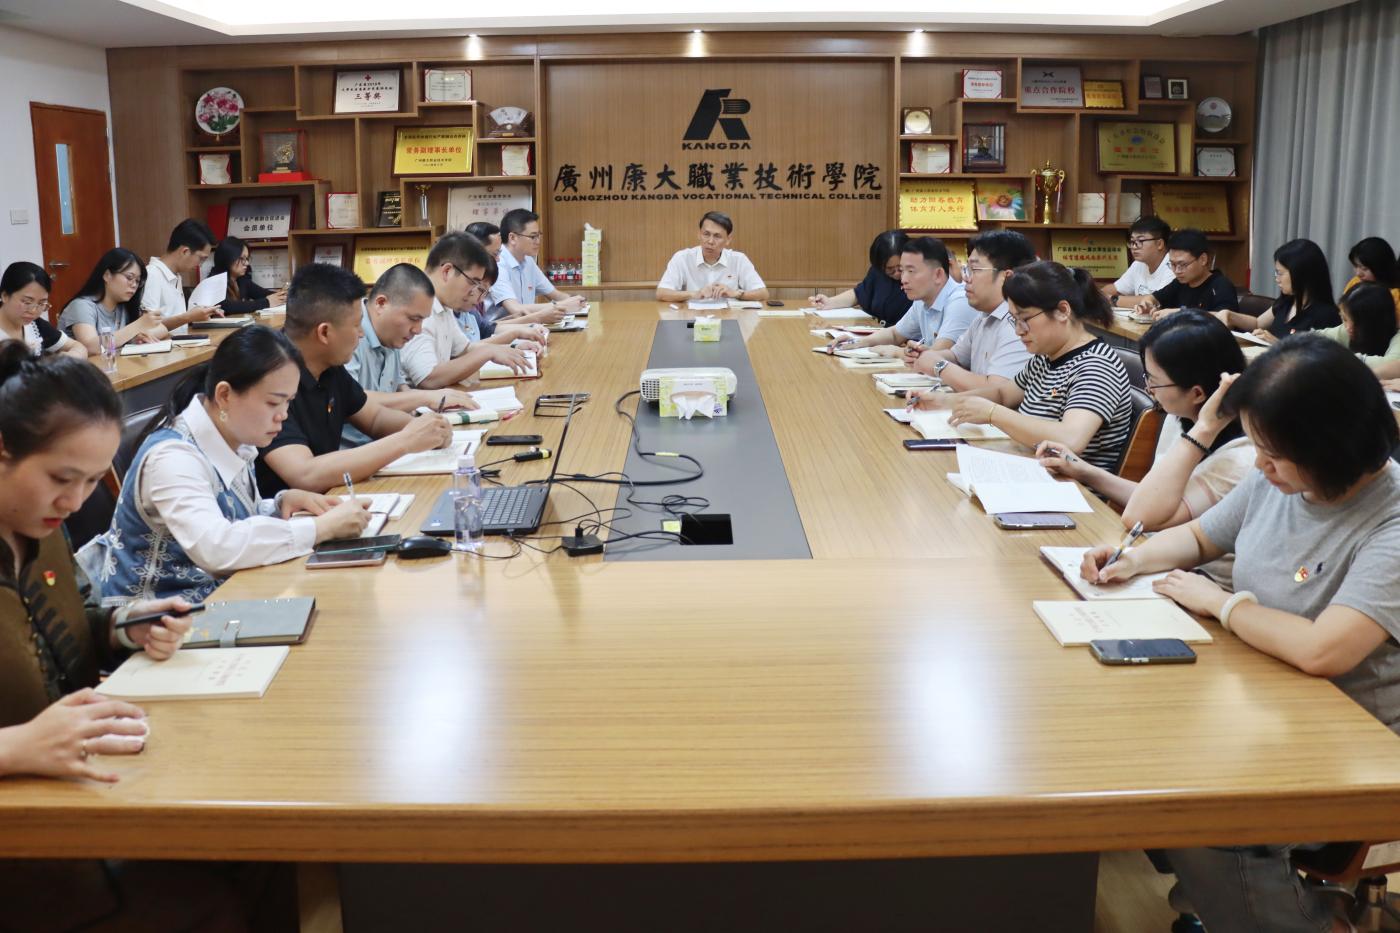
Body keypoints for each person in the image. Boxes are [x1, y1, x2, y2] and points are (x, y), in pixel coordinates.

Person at [1078, 335, 1400, 933]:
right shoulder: (1283, 478)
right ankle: (1224, 897)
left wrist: (1221, 604)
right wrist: (1133, 559)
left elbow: (1324, 649)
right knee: (1132, 752)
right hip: (1262, 700)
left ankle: (1278, 913)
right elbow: (1202, 536)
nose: (1259, 466)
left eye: (1273, 454)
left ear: (1333, 446)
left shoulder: (1391, 521)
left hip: (1354, 742)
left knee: (1209, 818)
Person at [0, 341, 258, 932]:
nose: (74, 502)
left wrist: (125, 626)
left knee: (245, 862)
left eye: (92, 482)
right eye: (61, 478)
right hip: (26, 844)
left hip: (80, 800)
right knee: (217, 896)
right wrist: (15, 747)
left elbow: (72, 623)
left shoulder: (40, 529)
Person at [83, 325, 370, 604]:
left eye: (288, 403)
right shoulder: (173, 457)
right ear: (224, 395)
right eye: (274, 403)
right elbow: (216, 546)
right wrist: (319, 529)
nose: (283, 415)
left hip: (219, 597)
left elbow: (229, 517)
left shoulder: (233, 435)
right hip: (157, 619)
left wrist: (279, 504)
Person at [1037, 311, 1252, 571]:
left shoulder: (1237, 456)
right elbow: (1156, 497)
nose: (1149, 389)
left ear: (1197, 393)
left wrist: (1201, 432)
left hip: (1197, 579)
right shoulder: (1185, 418)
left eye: (1154, 382)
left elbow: (1140, 516)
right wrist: (1083, 470)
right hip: (1158, 561)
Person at [254, 263, 453, 497]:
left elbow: (375, 419)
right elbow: (305, 475)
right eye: (357, 324)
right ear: (324, 333)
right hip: (283, 512)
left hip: (328, 500)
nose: (362, 333)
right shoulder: (267, 376)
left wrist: (428, 430)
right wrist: (406, 440)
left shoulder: (329, 366)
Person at [913, 260, 1133, 472]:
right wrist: (943, 401)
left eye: (1025, 319)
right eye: (1014, 320)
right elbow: (1003, 395)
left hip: (1072, 488)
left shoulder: (1097, 366)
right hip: (1032, 469)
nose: (1018, 330)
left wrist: (993, 414)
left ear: (1062, 311)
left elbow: (1071, 439)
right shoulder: (1045, 358)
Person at [344, 263, 480, 446]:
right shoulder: (349, 334)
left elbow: (399, 386)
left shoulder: (391, 335)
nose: (418, 330)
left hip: (384, 444)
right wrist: (424, 397)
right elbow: (353, 399)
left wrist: (423, 419)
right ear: (381, 304)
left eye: (422, 320)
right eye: (413, 319)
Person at [399, 233, 538, 391]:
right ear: (447, 271)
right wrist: (488, 352)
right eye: (473, 282)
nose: (473, 292)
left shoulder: (443, 305)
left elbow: (463, 350)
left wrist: (508, 348)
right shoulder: (419, 308)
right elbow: (429, 378)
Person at [911, 230, 1035, 391]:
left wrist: (938, 365)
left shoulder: (1019, 325)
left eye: (974, 270)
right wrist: (927, 355)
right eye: (966, 269)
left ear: (1006, 277)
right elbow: (956, 357)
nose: (966, 278)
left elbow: (996, 391)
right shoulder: (984, 316)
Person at [825, 236, 975, 361]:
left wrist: (897, 352)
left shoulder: (960, 302)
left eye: (911, 271)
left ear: (938, 274)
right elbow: (895, 334)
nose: (903, 279)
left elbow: (936, 358)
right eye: (902, 271)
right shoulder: (921, 300)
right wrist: (857, 342)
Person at [1221, 238, 1339, 339]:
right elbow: (1257, 323)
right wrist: (1231, 316)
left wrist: (1276, 344)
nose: (1277, 279)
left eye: (1280, 273)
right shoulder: (1286, 302)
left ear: (1300, 274)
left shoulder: (1326, 315)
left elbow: (1316, 356)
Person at [58, 249, 166, 353]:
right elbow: (90, 347)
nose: (134, 285)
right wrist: (138, 326)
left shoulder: (123, 306)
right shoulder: (81, 305)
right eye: (129, 277)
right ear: (107, 275)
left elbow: (162, 329)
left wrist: (135, 337)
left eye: (138, 281)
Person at [491, 208, 585, 323]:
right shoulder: (498, 263)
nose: (538, 241)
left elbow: (555, 295)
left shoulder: (528, 261)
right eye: (533, 237)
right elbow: (516, 310)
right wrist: (561, 305)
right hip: (500, 330)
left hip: (528, 328)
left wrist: (578, 302)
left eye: (539, 235)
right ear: (512, 238)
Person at [656, 211, 769, 303]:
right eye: (706, 234)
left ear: (728, 239)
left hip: (729, 317)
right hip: (692, 317)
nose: (710, 241)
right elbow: (661, 293)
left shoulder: (739, 259)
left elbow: (763, 293)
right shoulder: (682, 258)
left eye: (717, 236)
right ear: (699, 234)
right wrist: (695, 294)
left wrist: (735, 293)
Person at [806, 230, 912, 326]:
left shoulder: (916, 280)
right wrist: (830, 302)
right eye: (890, 269)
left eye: (900, 268)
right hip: (873, 330)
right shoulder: (878, 272)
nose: (896, 273)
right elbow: (860, 294)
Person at [1133, 229, 1239, 319]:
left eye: (1183, 264)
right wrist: (1147, 304)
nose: (1177, 270)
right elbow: (1153, 298)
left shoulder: (1221, 285)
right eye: (1172, 264)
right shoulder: (1180, 283)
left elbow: (1226, 319)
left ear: (1203, 259)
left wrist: (1180, 313)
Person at [143, 218, 223, 334]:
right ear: (185, 251)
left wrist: (198, 314)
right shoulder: (152, 275)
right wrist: (189, 317)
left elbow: (173, 320)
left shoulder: (176, 275)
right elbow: (148, 328)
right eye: (201, 258)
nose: (200, 265)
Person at [0, 262, 86, 358]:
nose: (33, 311)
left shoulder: (35, 324)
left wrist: (69, 357)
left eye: (41, 303)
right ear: (5, 296)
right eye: (27, 302)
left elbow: (78, 347)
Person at [1314, 282, 1400, 371]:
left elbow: (1393, 364)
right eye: (1344, 319)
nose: (1348, 327)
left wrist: (1340, 357)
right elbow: (1315, 337)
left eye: (1356, 322)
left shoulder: (1397, 338)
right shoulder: (1349, 330)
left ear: (1373, 323)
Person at [1102, 215, 1174, 308]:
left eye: (1140, 241)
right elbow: (1115, 289)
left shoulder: (1174, 265)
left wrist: (1113, 299)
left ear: (1159, 244)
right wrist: (1098, 296)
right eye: (1132, 242)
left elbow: (1156, 300)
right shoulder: (1139, 264)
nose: (1134, 247)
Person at [210, 236, 287, 315]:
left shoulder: (241, 279)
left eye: (247, 259)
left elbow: (262, 293)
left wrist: (284, 295)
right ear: (228, 258)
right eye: (242, 259)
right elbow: (227, 306)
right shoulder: (213, 281)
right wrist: (267, 302)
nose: (247, 263)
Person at [1342, 235, 1400, 318]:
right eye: (1355, 266)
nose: (1358, 273)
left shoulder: (1395, 295)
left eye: (1364, 269)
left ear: (1380, 267)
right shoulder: (1355, 282)